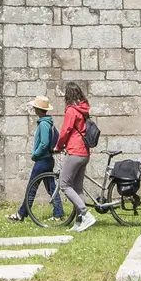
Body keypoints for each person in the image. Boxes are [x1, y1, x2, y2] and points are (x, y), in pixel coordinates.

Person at [8, 95, 65, 222]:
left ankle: (21, 214)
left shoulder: (43, 124)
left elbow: (44, 143)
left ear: (38, 110)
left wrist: (35, 154)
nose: (34, 109)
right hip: (48, 160)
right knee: (51, 188)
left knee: (31, 187)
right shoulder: (47, 122)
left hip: (42, 161)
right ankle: (58, 213)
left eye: (35, 107)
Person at [53, 81, 96, 231]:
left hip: (75, 151)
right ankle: (80, 222)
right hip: (85, 153)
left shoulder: (71, 110)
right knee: (77, 188)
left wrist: (58, 146)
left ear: (68, 95)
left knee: (64, 184)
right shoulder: (83, 110)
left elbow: (65, 131)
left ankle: (85, 214)